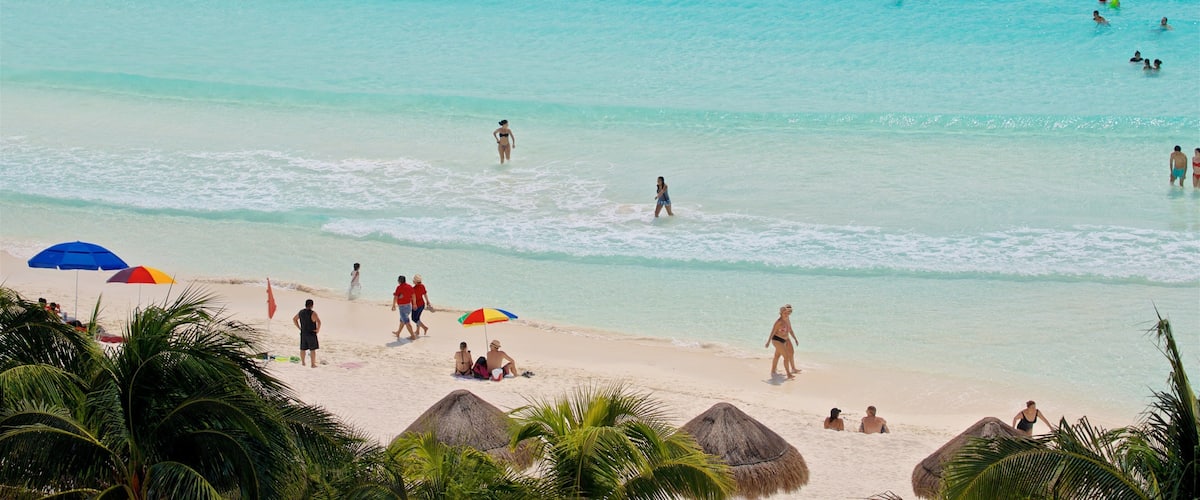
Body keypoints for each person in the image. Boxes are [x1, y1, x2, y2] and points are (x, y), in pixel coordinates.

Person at [764, 304, 799, 379]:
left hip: (785, 340)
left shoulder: (787, 319)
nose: (786, 314)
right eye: (785, 313)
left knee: (777, 355)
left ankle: (773, 370)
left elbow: (790, 330)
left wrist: (795, 338)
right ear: (781, 313)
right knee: (786, 357)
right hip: (777, 340)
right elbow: (773, 331)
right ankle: (788, 374)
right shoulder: (779, 322)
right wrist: (768, 342)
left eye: (787, 313)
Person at [292, 299, 321, 368]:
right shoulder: (313, 313)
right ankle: (312, 364)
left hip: (303, 333)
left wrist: (299, 327)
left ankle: (303, 362)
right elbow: (319, 322)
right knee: (312, 349)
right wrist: (318, 329)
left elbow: (294, 319)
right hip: (311, 333)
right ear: (312, 305)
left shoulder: (301, 312)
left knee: (302, 349)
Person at [391, 275, 416, 340]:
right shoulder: (409, 286)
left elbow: (395, 297)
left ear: (399, 281)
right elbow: (413, 295)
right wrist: (414, 304)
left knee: (406, 321)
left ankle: (413, 336)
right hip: (409, 306)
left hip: (402, 307)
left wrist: (393, 305)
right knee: (402, 320)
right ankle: (398, 333)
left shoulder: (399, 287)